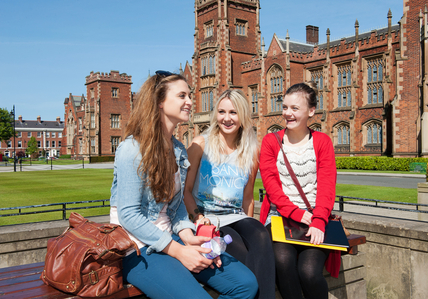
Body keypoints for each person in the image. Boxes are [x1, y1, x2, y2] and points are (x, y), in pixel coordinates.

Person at [109, 72, 258, 299]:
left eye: (189, 95)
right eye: (182, 96)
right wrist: (178, 251)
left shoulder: (177, 148)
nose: (190, 101)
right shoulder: (132, 148)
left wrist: (188, 236)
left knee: (246, 284)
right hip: (139, 249)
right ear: (159, 101)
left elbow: (175, 206)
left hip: (173, 239)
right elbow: (128, 215)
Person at [184, 89, 276, 299]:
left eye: (233, 113)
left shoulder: (251, 150)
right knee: (241, 252)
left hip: (237, 215)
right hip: (210, 219)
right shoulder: (200, 145)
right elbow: (185, 191)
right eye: (222, 112)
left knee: (260, 235)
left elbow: (248, 197)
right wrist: (198, 218)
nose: (227, 118)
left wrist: (250, 229)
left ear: (242, 116)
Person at [259, 82, 337, 299]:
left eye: (295, 108)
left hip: (314, 216)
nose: (287, 113)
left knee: (309, 272)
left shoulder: (322, 142)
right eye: (285, 107)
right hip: (280, 216)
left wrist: (319, 220)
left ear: (311, 111)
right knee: (282, 263)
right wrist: (295, 213)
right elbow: (271, 186)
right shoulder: (270, 142)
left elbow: (327, 186)